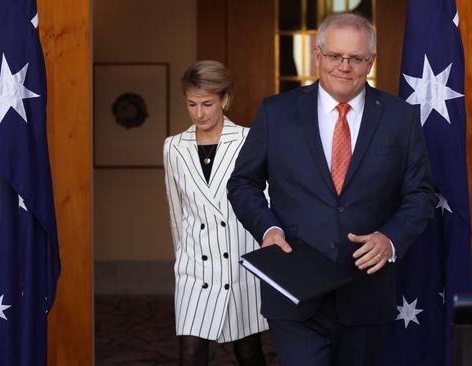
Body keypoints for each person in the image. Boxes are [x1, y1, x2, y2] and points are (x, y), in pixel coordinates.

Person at [227, 13, 437, 366]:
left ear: (370, 62)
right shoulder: (276, 112)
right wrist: (268, 228)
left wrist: (390, 239)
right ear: (318, 56)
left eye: (356, 58)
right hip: (294, 289)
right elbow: (243, 183)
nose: (345, 66)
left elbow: (421, 194)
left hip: (366, 292)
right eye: (336, 56)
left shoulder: (400, 117)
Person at [163, 60, 268, 366]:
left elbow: (265, 203)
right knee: (191, 353)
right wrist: (182, 259)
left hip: (242, 266)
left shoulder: (249, 140)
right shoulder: (174, 147)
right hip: (195, 269)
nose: (199, 113)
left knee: (248, 353)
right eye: (191, 104)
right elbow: (175, 211)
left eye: (207, 103)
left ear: (225, 99)